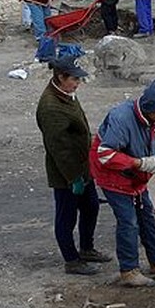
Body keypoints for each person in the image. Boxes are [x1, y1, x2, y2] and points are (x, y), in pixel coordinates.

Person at [88, 78, 155, 287]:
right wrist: (140, 163)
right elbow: (105, 155)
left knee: (147, 215)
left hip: (136, 176)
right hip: (113, 176)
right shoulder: (121, 118)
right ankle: (129, 270)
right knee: (128, 221)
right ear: (150, 107)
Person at [35, 55, 112, 276]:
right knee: (66, 216)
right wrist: (73, 178)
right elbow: (59, 149)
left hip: (81, 166)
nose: (78, 83)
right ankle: (71, 260)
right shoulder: (51, 107)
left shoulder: (66, 94)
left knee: (91, 207)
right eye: (74, 79)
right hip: (66, 172)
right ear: (61, 77)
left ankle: (87, 248)